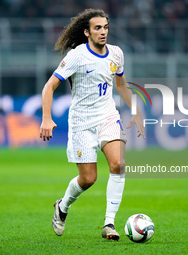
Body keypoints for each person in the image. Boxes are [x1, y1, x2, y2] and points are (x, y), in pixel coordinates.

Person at [39, 8, 144, 241]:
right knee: (88, 179)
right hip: (81, 122)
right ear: (87, 32)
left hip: (107, 116)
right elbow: (49, 87)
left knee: (118, 164)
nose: (103, 32)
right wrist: (46, 118)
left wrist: (135, 110)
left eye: (106, 27)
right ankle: (62, 206)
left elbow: (122, 86)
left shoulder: (116, 54)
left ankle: (109, 223)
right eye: (98, 28)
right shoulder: (77, 56)